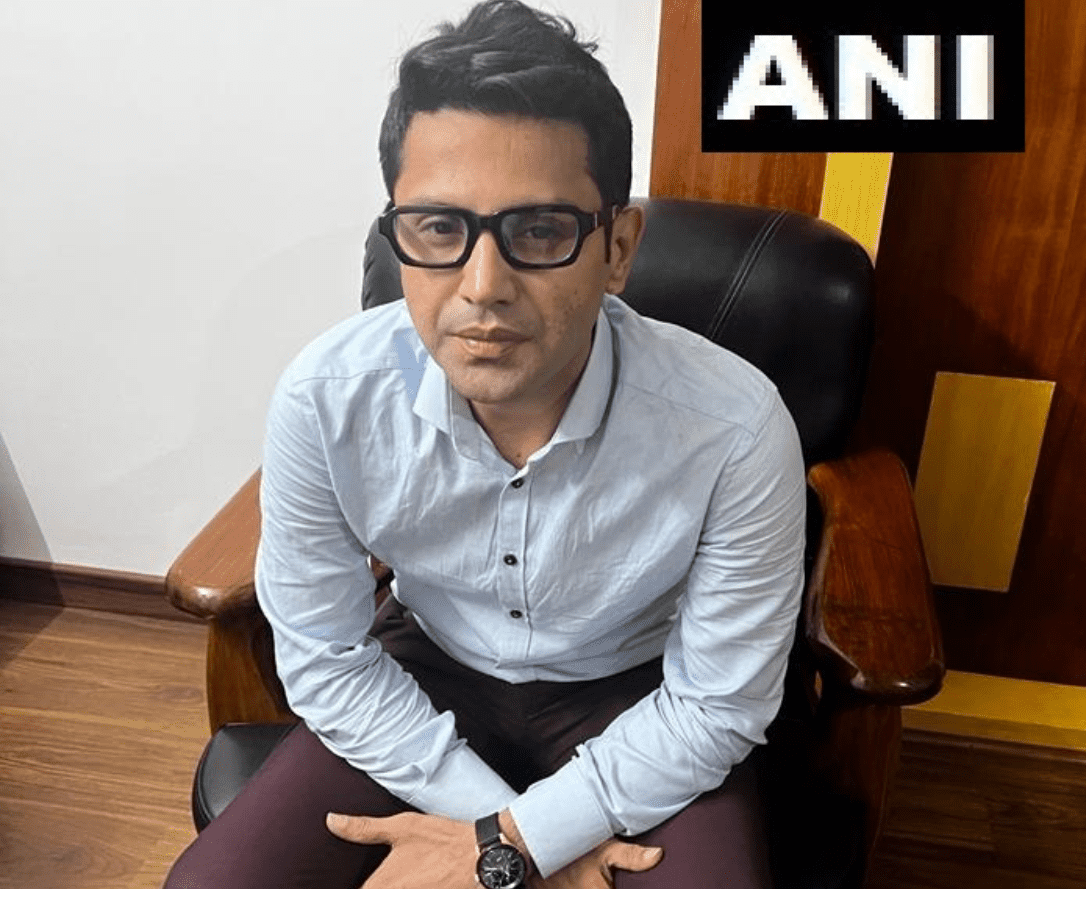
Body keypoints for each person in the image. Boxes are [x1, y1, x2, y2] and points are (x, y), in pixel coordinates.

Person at [165, 0, 805, 888]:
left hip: (639, 696)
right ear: (398, 234)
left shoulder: (734, 426)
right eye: (439, 228)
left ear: (618, 248)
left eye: (539, 231)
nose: (482, 287)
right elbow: (326, 657)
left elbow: (718, 701)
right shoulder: (326, 398)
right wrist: (510, 834)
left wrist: (514, 838)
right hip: (422, 678)